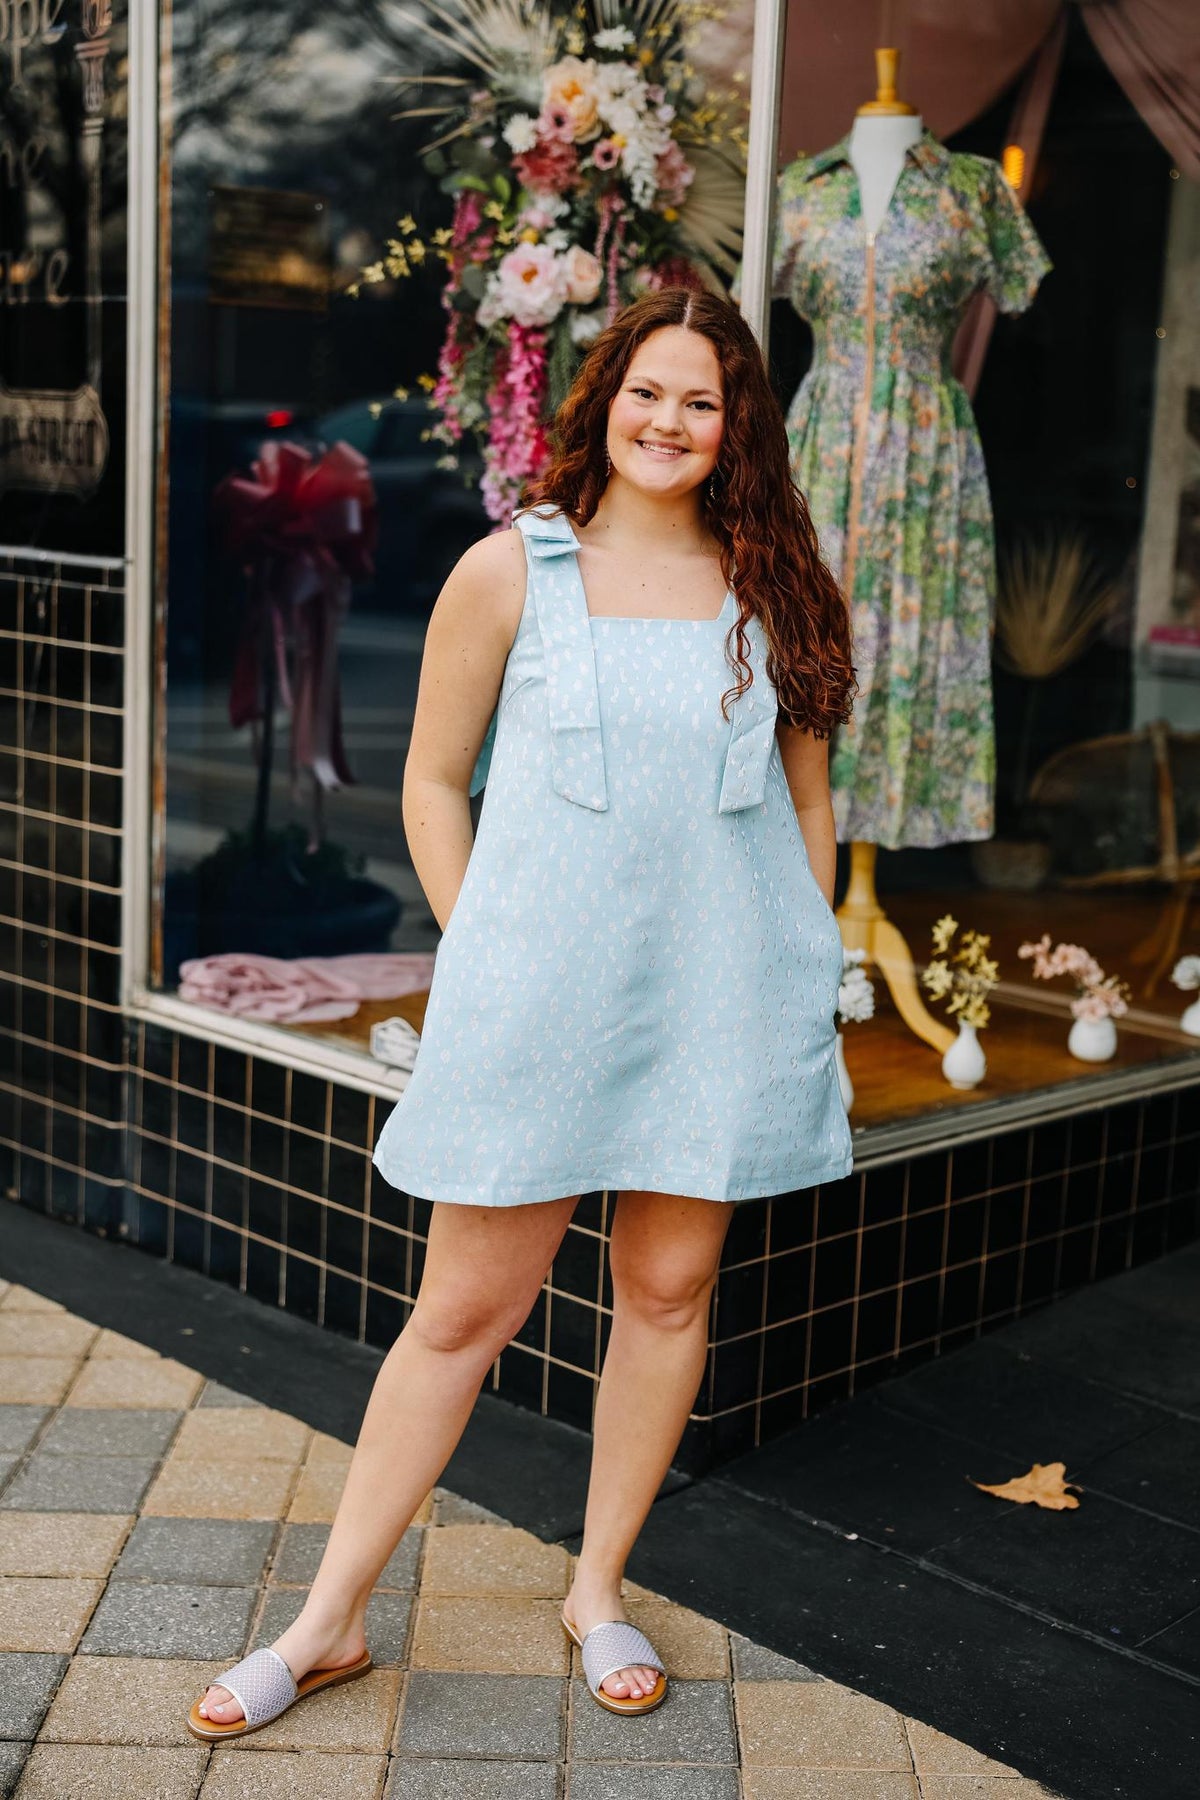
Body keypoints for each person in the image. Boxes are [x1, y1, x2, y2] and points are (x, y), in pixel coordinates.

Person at [187, 287, 855, 1740]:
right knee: (462, 1314)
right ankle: (328, 1619)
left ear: (738, 424)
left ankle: (597, 1585)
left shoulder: (781, 583)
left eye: (702, 400)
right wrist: (477, 943)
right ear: (603, 401)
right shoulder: (510, 569)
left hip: (718, 997)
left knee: (668, 1293)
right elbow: (433, 778)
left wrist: (800, 963)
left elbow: (809, 805)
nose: (669, 421)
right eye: (647, 392)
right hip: (539, 994)